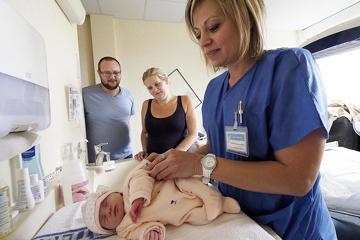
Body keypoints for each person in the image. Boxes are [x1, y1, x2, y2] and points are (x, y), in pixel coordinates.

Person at [143, 0, 337, 239]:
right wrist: (177, 161)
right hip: (238, 222)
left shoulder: (289, 68)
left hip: (293, 228)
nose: (203, 41)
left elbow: (298, 179)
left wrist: (200, 166)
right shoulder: (214, 90)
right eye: (198, 33)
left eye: (213, 27)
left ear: (245, 19)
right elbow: (218, 146)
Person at [81, 159, 240, 240]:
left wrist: (138, 197)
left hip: (177, 186)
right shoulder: (124, 229)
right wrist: (148, 233)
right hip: (180, 213)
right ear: (109, 229)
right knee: (198, 218)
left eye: (106, 203)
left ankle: (210, 196)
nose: (108, 210)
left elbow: (141, 176)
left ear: (114, 193)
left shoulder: (128, 187)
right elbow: (137, 233)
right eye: (104, 218)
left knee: (186, 181)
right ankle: (223, 205)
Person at [134, 67, 197, 161]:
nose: (155, 90)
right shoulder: (146, 104)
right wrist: (145, 152)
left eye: (157, 84)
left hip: (179, 159)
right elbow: (144, 133)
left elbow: (193, 134)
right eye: (150, 88)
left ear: (166, 81)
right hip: (153, 161)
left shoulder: (185, 100)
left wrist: (171, 156)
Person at [83, 56, 135, 163]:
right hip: (97, 161)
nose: (112, 77)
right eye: (107, 73)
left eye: (116, 72)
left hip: (126, 156)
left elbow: (125, 121)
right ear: (99, 73)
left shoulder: (129, 95)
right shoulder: (85, 94)